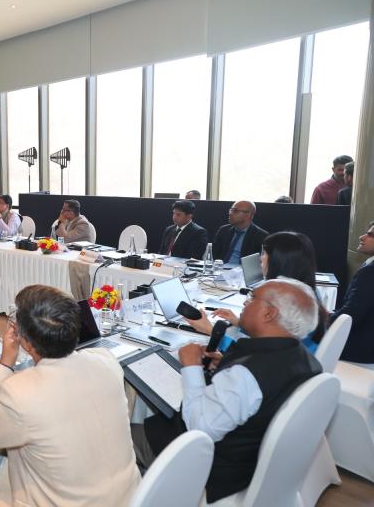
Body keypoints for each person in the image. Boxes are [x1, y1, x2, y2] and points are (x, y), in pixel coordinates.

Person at [137, 278, 322, 503]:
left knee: (117, 435)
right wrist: (226, 364)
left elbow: (199, 428)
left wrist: (192, 367)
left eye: (253, 298)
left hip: (214, 467)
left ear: (269, 314)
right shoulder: (305, 360)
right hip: (251, 458)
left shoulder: (247, 375)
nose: (245, 303)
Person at [0, 285, 140, 506]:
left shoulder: (19, 393)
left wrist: (5, 362)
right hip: (130, 498)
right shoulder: (106, 361)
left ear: (25, 342)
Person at [188, 231, 327, 353]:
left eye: (264, 253)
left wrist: (211, 331)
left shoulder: (287, 302)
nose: (261, 258)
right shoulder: (307, 294)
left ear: (278, 260)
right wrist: (240, 322)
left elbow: (252, 356)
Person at [333, 221, 374, 364]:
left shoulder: (370, 272)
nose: (362, 237)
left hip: (359, 351)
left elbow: (351, 314)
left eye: (370, 235)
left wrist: (323, 319)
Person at [212, 201, 268, 265]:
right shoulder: (224, 230)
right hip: (220, 269)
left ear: (248, 215)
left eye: (235, 211)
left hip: (242, 272)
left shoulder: (261, 236)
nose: (230, 213)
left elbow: (260, 263)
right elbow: (214, 254)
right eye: (231, 210)